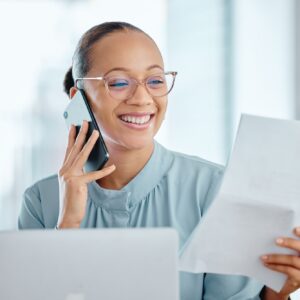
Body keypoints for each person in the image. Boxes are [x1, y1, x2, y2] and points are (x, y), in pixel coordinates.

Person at [18, 21, 300, 300]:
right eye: (118, 83)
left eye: (155, 81)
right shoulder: (42, 202)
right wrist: (67, 224)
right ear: (78, 98)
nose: (142, 98)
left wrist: (275, 295)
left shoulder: (216, 190)